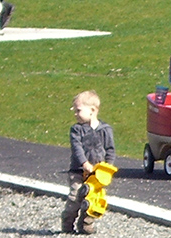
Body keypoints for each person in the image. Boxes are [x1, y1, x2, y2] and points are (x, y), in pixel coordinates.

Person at [61, 90, 116, 234]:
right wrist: (84, 163)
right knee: (75, 198)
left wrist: (108, 167)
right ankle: (67, 223)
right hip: (78, 172)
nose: (75, 114)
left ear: (92, 110)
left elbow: (110, 149)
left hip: (97, 174)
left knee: (93, 200)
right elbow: (77, 148)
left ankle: (85, 224)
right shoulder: (76, 130)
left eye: (78, 110)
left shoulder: (105, 130)